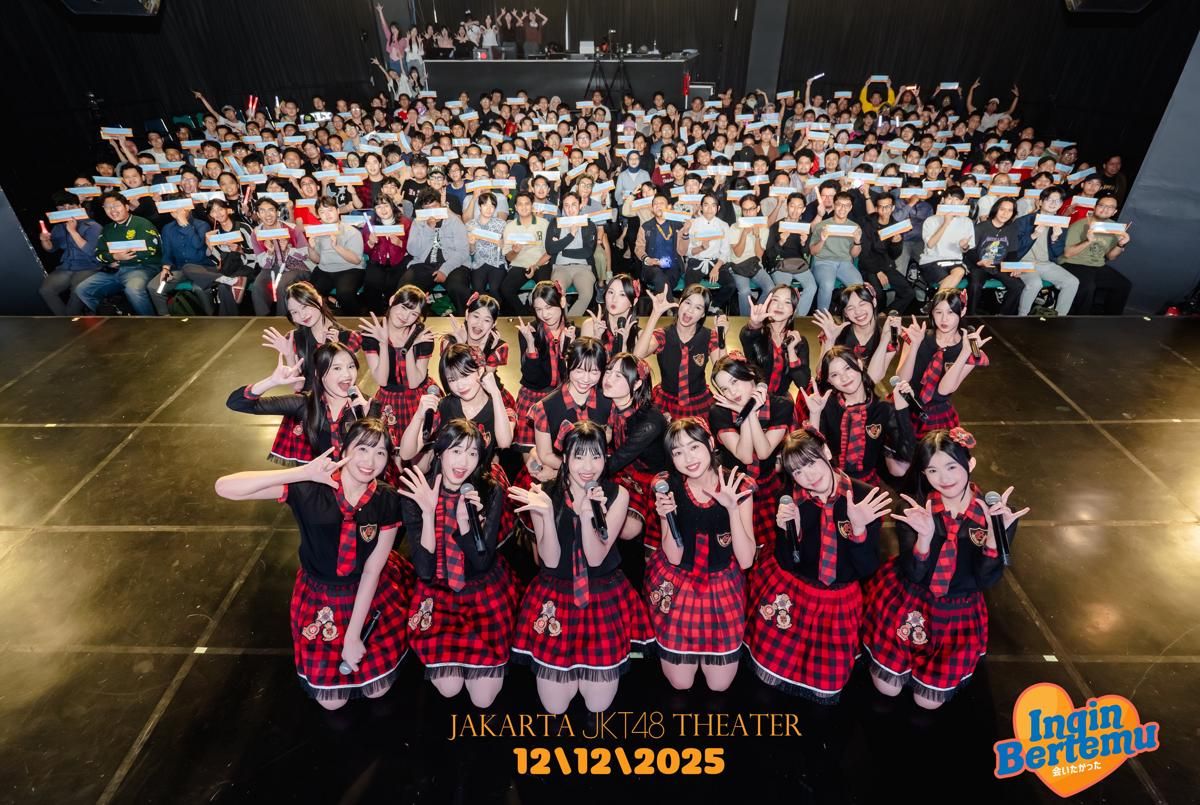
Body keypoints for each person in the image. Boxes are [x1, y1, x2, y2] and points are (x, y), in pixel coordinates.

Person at [214, 418, 412, 709]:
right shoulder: (309, 488)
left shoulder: (387, 498)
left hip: (367, 590)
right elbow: (224, 487)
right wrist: (301, 472)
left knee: (377, 692)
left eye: (380, 452)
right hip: (321, 593)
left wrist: (353, 636)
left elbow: (372, 570)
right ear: (344, 449)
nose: (370, 461)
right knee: (332, 703)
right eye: (362, 449)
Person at [862, 428, 1026, 709]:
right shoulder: (913, 508)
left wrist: (992, 538)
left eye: (951, 466)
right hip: (910, 598)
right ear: (923, 473)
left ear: (970, 464)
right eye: (932, 470)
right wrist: (924, 538)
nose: (944, 478)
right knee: (887, 689)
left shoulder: (997, 515)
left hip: (956, 607)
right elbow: (914, 573)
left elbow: (985, 580)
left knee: (927, 702)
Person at [508, 421, 654, 713]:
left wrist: (588, 515)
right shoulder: (544, 492)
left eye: (596, 456)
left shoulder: (617, 494)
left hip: (602, 594)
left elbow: (595, 557)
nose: (588, 467)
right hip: (556, 593)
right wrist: (545, 515)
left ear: (605, 457)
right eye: (579, 456)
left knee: (598, 707)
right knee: (554, 708)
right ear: (564, 458)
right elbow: (549, 561)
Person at [744, 429, 890, 702]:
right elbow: (789, 562)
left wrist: (859, 529)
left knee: (826, 679)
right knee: (773, 669)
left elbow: (867, 569)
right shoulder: (789, 498)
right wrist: (792, 533)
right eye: (798, 471)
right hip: (797, 588)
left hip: (838, 596)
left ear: (827, 452)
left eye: (811, 462)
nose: (808, 476)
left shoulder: (864, 496)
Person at [396, 419, 518, 706]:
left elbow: (482, 561)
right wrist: (428, 513)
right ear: (440, 452)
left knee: (483, 699)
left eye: (473, 453)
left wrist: (466, 525)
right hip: (439, 593)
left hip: (481, 591)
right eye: (456, 451)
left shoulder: (489, 490)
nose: (464, 462)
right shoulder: (418, 492)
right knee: (449, 688)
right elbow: (424, 570)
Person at [648, 418, 755, 691]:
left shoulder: (737, 485)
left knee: (720, 686)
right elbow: (674, 557)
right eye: (678, 452)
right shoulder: (667, 486)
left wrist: (732, 509)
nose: (688, 458)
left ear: (709, 442)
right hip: (680, 579)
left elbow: (745, 560)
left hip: (721, 581)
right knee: (680, 683)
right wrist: (668, 516)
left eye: (694, 447)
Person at [228, 341, 372, 464]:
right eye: (337, 368)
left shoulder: (368, 405)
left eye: (351, 366)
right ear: (319, 374)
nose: (347, 375)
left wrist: (367, 420)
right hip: (316, 484)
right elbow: (237, 402)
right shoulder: (303, 404)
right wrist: (271, 381)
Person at [799, 346, 915, 487]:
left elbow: (904, 459)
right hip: (832, 480)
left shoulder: (882, 409)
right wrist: (815, 413)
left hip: (868, 484)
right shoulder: (825, 405)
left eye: (848, 368)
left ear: (859, 364)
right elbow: (810, 455)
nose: (844, 378)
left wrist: (902, 410)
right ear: (829, 380)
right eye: (834, 375)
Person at [896, 289, 991, 437]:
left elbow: (944, 390)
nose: (944, 319)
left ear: (962, 311)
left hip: (936, 415)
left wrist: (965, 353)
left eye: (951, 312)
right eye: (938, 312)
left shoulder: (970, 349)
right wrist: (915, 345)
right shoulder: (917, 336)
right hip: (905, 404)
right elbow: (902, 379)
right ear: (932, 313)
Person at [634, 285, 728, 420]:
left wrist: (721, 337)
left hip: (698, 400)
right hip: (666, 401)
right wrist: (655, 313)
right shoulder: (663, 335)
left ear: (703, 314)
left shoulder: (709, 336)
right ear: (680, 303)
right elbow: (637, 355)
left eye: (698, 308)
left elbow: (724, 374)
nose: (690, 310)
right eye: (687, 303)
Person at [527, 337, 612, 484]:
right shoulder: (544, 407)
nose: (586, 379)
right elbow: (545, 454)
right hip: (561, 471)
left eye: (594, 372)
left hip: (599, 473)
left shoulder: (609, 402)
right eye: (579, 370)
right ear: (568, 364)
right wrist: (576, 471)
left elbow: (611, 438)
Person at [75, 191, 162, 316]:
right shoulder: (107, 229)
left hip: (143, 268)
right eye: (107, 207)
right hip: (115, 272)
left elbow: (150, 251)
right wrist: (114, 257)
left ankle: (149, 321)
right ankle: (114, 315)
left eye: (116, 206)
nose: (112, 210)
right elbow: (99, 254)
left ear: (126, 207)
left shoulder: (142, 224)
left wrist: (119, 259)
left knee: (133, 289)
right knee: (82, 289)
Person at [512, 281, 571, 449]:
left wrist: (566, 348)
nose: (544, 314)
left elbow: (570, 376)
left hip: (562, 398)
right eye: (538, 309)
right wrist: (531, 345)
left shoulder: (573, 332)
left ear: (562, 302)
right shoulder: (529, 331)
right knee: (530, 455)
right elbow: (531, 377)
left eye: (549, 307)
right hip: (533, 398)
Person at [1059, 193, 1133, 315]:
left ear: (1114, 212)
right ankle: (1079, 320)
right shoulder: (1080, 225)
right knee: (1088, 287)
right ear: (1095, 207)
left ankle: (1110, 320)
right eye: (1102, 205)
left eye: (1110, 207)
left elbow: (1111, 257)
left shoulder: (1114, 228)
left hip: (1096, 265)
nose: (1105, 209)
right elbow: (1068, 254)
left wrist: (1121, 245)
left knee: (1124, 285)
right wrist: (1088, 241)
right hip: (1073, 263)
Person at [813, 284, 900, 385]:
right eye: (850, 308)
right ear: (845, 313)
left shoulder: (888, 339)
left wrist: (885, 339)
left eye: (862, 304)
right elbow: (821, 373)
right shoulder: (836, 331)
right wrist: (830, 341)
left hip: (862, 392)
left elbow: (872, 380)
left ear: (874, 302)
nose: (858, 312)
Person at [1013, 187, 1079, 317]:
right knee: (1035, 283)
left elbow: (1057, 253)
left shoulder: (1061, 223)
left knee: (1072, 282)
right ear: (1040, 202)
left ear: (1061, 204)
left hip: (1046, 264)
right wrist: (1033, 235)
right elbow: (1013, 247)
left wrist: (1054, 238)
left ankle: (1059, 317)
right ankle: (1022, 316)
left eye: (1057, 201)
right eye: (1049, 199)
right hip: (1024, 262)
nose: (1053, 203)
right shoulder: (1024, 220)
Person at [401, 189, 471, 310]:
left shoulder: (454, 220)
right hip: (424, 264)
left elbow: (463, 251)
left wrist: (445, 270)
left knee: (458, 288)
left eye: (434, 206)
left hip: (453, 264)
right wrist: (428, 229)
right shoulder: (418, 222)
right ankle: (408, 317)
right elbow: (412, 250)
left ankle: (465, 317)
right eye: (427, 208)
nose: (431, 212)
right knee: (407, 288)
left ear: (441, 205)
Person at [738, 284, 811, 397]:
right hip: (752, 398)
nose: (780, 306)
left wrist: (791, 351)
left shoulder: (798, 341)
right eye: (775, 300)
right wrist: (754, 323)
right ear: (768, 305)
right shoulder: (757, 333)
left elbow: (803, 383)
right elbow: (746, 335)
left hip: (780, 402)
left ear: (793, 310)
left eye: (787, 302)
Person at [37, 193, 101, 315]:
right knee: (45, 290)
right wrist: (45, 240)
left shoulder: (93, 226)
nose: (67, 211)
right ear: (57, 210)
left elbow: (91, 251)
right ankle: (67, 320)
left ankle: (69, 320)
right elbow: (51, 249)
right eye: (62, 208)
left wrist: (72, 231)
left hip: (89, 266)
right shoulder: (58, 227)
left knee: (77, 290)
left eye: (71, 207)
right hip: (67, 267)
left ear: (79, 206)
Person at [147, 203, 214, 316]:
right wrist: (165, 269)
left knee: (200, 288)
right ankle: (165, 317)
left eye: (181, 207)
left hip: (202, 268)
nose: (177, 210)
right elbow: (167, 253)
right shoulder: (167, 228)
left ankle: (210, 317)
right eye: (173, 208)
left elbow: (197, 244)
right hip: (179, 270)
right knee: (155, 288)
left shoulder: (202, 225)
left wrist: (185, 224)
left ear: (189, 208)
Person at [249, 197, 311, 317]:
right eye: (262, 211)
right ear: (258, 214)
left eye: (271, 210)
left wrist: (288, 250)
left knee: (282, 285)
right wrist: (270, 253)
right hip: (271, 269)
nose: (267, 214)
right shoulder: (256, 233)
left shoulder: (292, 228)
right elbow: (263, 263)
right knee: (257, 287)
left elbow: (305, 254)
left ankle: (282, 319)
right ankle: (263, 319)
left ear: (277, 212)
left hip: (295, 267)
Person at [858, 193, 917, 315]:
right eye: (881, 207)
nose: (884, 210)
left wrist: (896, 244)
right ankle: (875, 318)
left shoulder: (895, 225)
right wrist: (878, 271)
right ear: (876, 208)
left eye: (888, 207)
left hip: (887, 265)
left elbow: (894, 255)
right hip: (869, 266)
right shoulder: (867, 223)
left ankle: (885, 314)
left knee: (909, 292)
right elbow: (864, 253)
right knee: (878, 294)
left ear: (893, 208)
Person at [307, 198, 366, 314]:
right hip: (325, 269)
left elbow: (356, 260)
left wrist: (336, 247)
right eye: (322, 212)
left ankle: (355, 319)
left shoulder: (352, 232)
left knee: (345, 294)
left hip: (350, 269)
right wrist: (311, 248)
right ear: (318, 216)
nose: (327, 215)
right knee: (310, 294)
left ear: (338, 211)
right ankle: (324, 314)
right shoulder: (317, 232)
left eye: (330, 210)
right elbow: (317, 260)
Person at [545, 192, 599, 317]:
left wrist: (562, 250)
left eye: (574, 205)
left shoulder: (589, 224)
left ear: (580, 205)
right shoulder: (555, 223)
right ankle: (565, 322)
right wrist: (571, 236)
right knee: (558, 293)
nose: (570, 209)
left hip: (583, 268)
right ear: (562, 207)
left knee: (586, 294)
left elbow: (587, 252)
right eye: (566, 205)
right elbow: (550, 249)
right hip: (560, 268)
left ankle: (569, 322)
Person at [967, 198, 1024, 315]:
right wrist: (980, 261)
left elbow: (1012, 253)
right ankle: (971, 316)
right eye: (1002, 209)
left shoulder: (1012, 229)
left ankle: (1002, 315)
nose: (1005, 213)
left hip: (999, 266)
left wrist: (1013, 267)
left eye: (1010, 210)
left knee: (1018, 285)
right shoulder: (981, 227)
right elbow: (970, 251)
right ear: (996, 209)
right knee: (975, 285)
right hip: (979, 265)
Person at [809, 192, 864, 312]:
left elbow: (854, 254)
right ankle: (822, 316)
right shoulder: (822, 225)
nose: (842, 208)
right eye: (839, 204)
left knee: (858, 285)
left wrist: (857, 241)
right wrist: (822, 240)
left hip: (845, 263)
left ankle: (853, 315)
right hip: (823, 262)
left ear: (850, 207)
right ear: (834, 205)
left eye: (846, 205)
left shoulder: (855, 227)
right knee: (827, 285)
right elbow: (813, 251)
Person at [498, 192, 551, 314]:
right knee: (505, 289)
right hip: (519, 264)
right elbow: (509, 258)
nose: (524, 207)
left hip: (540, 264)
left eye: (527, 203)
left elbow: (549, 251)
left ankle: (539, 313)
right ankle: (524, 314)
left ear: (532, 206)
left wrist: (536, 266)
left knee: (544, 290)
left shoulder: (544, 224)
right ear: (516, 207)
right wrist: (515, 251)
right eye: (520, 204)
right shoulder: (510, 227)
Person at [724, 195, 776, 315]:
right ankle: (745, 319)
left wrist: (757, 236)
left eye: (751, 209)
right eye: (745, 210)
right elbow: (738, 253)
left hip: (755, 265)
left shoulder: (764, 227)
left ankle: (755, 314)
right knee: (744, 291)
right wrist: (744, 234)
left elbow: (759, 255)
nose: (748, 213)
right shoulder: (734, 226)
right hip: (737, 265)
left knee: (771, 289)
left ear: (758, 209)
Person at [918, 187, 975, 292]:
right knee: (950, 283)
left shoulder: (967, 222)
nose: (953, 202)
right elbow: (930, 244)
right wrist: (946, 223)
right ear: (943, 200)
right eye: (949, 198)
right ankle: (941, 301)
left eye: (957, 200)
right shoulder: (931, 220)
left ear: (962, 202)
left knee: (959, 272)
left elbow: (965, 249)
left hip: (955, 261)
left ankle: (938, 301)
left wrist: (964, 246)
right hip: (932, 261)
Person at [361, 198, 412, 315]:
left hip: (400, 261)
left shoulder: (405, 222)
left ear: (392, 207)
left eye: (386, 205)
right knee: (371, 284)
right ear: (375, 210)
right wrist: (370, 243)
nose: (383, 210)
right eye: (378, 207)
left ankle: (395, 314)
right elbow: (365, 250)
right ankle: (376, 315)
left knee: (394, 285)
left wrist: (400, 243)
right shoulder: (370, 225)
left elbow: (414, 247)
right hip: (377, 261)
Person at [580, 274, 641, 358]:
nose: (614, 299)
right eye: (611, 292)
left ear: (634, 301)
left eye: (622, 294)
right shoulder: (590, 326)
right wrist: (597, 338)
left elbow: (628, 366)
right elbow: (586, 362)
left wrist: (623, 346)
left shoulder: (638, 335)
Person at [635, 195, 684, 298]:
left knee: (666, 280)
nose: (658, 206)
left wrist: (686, 233)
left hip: (672, 266)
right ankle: (671, 305)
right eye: (655, 204)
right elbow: (638, 248)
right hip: (652, 267)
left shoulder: (678, 225)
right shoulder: (645, 226)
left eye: (661, 203)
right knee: (658, 275)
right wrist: (648, 259)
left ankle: (665, 305)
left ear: (669, 207)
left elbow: (683, 251)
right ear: (652, 208)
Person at [463, 192, 508, 303]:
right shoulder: (470, 225)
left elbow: (507, 248)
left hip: (497, 262)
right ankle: (482, 312)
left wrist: (503, 244)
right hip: (479, 263)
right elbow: (471, 252)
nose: (489, 209)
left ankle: (498, 311)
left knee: (494, 289)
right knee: (478, 291)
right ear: (479, 206)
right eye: (485, 205)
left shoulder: (502, 224)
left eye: (492, 206)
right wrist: (472, 244)